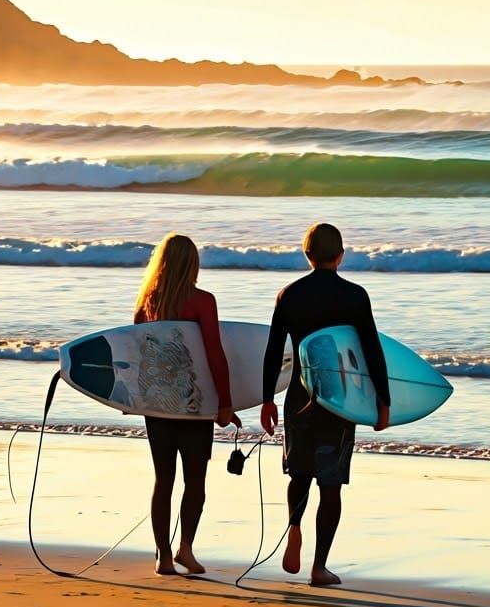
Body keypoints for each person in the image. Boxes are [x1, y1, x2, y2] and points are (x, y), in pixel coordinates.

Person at [261, 223, 390, 587]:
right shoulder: (354, 296)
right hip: (339, 400)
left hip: (299, 397)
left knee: (299, 474)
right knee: (330, 484)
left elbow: (274, 351)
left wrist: (267, 399)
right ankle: (319, 567)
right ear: (340, 256)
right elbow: (372, 350)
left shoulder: (289, 295)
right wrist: (383, 401)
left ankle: (294, 527)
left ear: (308, 256)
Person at [134, 233, 240, 576]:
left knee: (163, 479)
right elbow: (214, 353)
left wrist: (133, 400)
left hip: (157, 405)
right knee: (195, 480)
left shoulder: (147, 302)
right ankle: (185, 549)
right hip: (194, 403)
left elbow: (137, 356)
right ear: (192, 264)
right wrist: (225, 403)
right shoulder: (202, 301)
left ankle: (163, 555)